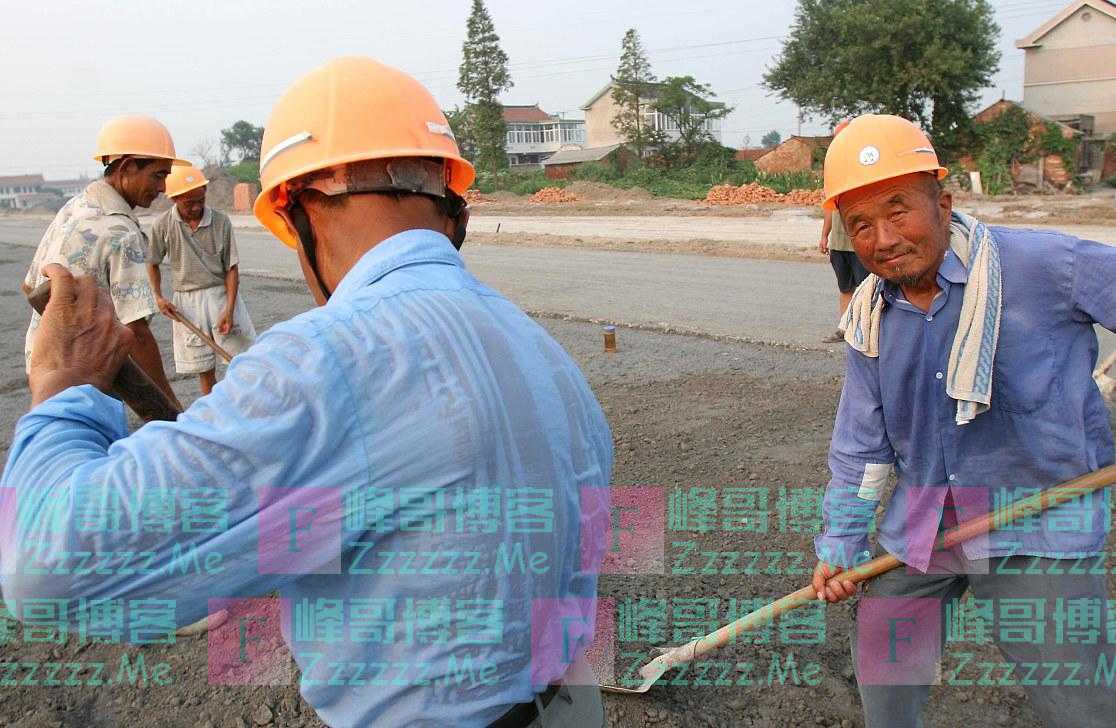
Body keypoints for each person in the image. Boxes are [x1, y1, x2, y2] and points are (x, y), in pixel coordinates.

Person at [1, 57, 612, 728]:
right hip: (568, 706)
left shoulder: (327, 359)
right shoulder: (542, 350)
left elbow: (46, 569)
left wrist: (61, 385)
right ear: (451, 209)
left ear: (296, 208)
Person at [810, 114, 1116, 727]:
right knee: (884, 669)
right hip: (927, 525)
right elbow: (862, 446)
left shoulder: (1044, 265)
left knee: (1079, 702)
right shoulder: (872, 316)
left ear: (943, 203)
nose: (883, 238)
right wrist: (842, 543)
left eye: (898, 211)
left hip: (1039, 523)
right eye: (862, 224)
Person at [21, 116, 183, 408]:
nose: (162, 188)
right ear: (127, 167)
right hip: (86, 380)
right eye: (158, 176)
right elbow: (137, 333)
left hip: (43, 370)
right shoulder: (121, 231)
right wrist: (171, 408)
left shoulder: (74, 207)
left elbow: (29, 286)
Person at [148, 164, 256, 395]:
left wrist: (228, 309)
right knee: (204, 369)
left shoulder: (221, 222)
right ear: (175, 199)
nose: (197, 207)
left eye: (201, 200)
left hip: (220, 296)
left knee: (242, 360)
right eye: (189, 203)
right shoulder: (162, 225)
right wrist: (157, 296)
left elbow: (232, 269)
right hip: (186, 304)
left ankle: (246, 405)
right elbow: (152, 262)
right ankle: (215, 417)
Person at [819, 121, 869, 343]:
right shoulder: (834, 170)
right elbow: (830, 207)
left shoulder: (864, 167)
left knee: (865, 289)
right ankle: (844, 330)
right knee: (845, 287)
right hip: (838, 243)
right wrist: (824, 235)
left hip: (858, 241)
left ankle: (868, 331)